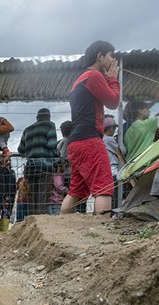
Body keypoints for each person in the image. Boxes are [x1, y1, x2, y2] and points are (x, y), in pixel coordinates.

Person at [60, 40, 120, 215]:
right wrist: (113, 79)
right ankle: (102, 233)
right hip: (89, 140)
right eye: (110, 56)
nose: (113, 61)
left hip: (76, 142)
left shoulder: (79, 81)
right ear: (100, 56)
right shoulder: (94, 76)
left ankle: (62, 228)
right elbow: (113, 101)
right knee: (104, 185)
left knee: (76, 191)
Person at [18, 108, 59, 216]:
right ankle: (41, 221)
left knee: (32, 197)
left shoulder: (27, 130)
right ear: (49, 117)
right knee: (42, 197)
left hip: (30, 167)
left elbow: (20, 150)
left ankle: (32, 220)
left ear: (37, 118)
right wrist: (57, 157)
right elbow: (52, 144)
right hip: (45, 167)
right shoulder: (50, 125)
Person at [124, 92, 159, 163]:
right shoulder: (147, 124)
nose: (149, 110)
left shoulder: (128, 132)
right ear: (140, 111)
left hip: (131, 167)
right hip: (143, 165)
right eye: (147, 109)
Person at [102, 116, 124, 209]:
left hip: (104, 171)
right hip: (113, 171)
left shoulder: (101, 139)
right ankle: (113, 214)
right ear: (111, 128)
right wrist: (119, 140)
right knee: (114, 197)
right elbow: (122, 151)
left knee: (105, 194)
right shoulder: (109, 139)